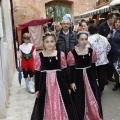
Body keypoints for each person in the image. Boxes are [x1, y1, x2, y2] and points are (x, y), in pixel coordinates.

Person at [31, 32, 78, 120]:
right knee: (46, 104)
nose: (49, 44)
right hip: (45, 87)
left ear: (55, 42)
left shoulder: (61, 54)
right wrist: (37, 89)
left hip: (60, 85)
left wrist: (68, 86)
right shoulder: (39, 56)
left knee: (63, 103)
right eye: (47, 42)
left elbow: (65, 72)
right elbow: (37, 74)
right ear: (43, 43)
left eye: (52, 41)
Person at [67, 31, 103, 120]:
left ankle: (93, 116)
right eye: (82, 39)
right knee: (80, 99)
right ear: (77, 40)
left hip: (90, 78)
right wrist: (72, 82)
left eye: (86, 39)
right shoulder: (72, 53)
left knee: (93, 98)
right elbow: (70, 70)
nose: (84, 41)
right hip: (78, 78)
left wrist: (96, 78)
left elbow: (94, 66)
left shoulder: (91, 51)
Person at [88, 24, 111, 94]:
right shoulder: (103, 38)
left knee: (94, 76)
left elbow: (87, 50)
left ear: (89, 31)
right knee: (102, 76)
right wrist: (104, 54)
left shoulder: (89, 39)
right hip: (103, 60)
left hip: (93, 61)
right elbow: (109, 47)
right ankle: (101, 90)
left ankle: (95, 91)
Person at [99, 13, 116, 83]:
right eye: (114, 18)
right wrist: (107, 38)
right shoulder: (101, 26)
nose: (115, 20)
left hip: (113, 48)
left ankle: (110, 76)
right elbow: (99, 38)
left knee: (111, 63)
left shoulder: (114, 26)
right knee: (105, 64)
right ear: (110, 19)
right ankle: (104, 79)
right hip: (104, 49)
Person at [108, 17, 120, 91]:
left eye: (119, 22)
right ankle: (117, 84)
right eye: (116, 22)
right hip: (113, 54)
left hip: (119, 54)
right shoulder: (112, 31)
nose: (117, 24)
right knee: (115, 70)